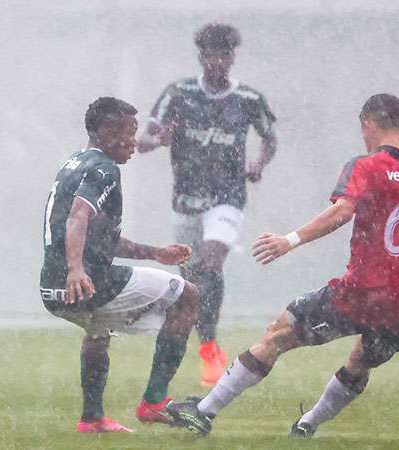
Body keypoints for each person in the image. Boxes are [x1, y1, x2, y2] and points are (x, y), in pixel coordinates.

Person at [167, 93, 399, 437]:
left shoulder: (369, 166)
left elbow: (343, 210)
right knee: (360, 363)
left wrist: (289, 240)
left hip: (362, 293)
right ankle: (307, 425)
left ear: (367, 125)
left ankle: (204, 411)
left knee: (277, 335)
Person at [39, 97, 201, 433]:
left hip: (52, 289)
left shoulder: (74, 162)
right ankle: (154, 401)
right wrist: (76, 269)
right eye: (129, 133)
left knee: (97, 331)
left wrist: (155, 253)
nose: (134, 142)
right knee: (188, 296)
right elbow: (78, 216)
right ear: (107, 131)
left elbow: (98, 238)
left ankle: (92, 418)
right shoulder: (104, 169)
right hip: (87, 282)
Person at [138, 23, 278, 386]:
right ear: (201, 57)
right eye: (210, 54)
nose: (217, 61)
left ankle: (209, 350)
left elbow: (269, 138)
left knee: (211, 260)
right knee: (192, 280)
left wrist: (258, 164)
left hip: (227, 196)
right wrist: (158, 139)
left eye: (223, 54)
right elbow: (145, 136)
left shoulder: (248, 99)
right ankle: (205, 341)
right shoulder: (179, 93)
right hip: (186, 198)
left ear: (232, 58)